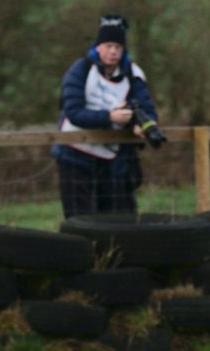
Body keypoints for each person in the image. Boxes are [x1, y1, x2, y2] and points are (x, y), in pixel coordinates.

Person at [53, 14, 161, 218]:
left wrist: (144, 125)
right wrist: (109, 117)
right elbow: (74, 112)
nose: (113, 52)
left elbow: (147, 107)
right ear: (98, 47)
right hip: (75, 154)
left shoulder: (133, 74)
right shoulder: (81, 69)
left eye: (118, 47)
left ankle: (111, 251)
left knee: (114, 218)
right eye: (109, 46)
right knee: (80, 218)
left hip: (112, 160)